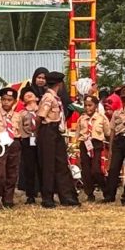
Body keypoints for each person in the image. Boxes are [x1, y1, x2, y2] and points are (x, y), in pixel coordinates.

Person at [36, 72, 79, 208]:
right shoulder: (48, 97)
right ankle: (47, 198)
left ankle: (66, 196)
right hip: (48, 129)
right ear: (60, 84)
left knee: (61, 163)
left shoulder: (56, 98)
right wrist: (37, 133)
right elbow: (40, 117)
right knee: (48, 164)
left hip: (56, 130)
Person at [76, 95, 110, 201]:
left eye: (90, 105)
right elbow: (77, 134)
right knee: (85, 171)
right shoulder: (81, 119)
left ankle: (106, 189)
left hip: (96, 145)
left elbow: (107, 132)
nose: (87, 108)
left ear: (96, 106)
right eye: (85, 105)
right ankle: (89, 194)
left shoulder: (102, 118)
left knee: (96, 170)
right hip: (84, 145)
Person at [0, 87, 22, 207]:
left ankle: (8, 199)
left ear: (14, 101)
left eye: (9, 100)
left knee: (12, 172)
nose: (6, 102)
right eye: (4, 99)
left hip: (14, 143)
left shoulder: (18, 116)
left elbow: (22, 131)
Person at [18, 88, 41, 203]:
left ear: (37, 98)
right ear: (23, 100)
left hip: (41, 140)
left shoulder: (42, 111)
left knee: (43, 166)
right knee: (29, 167)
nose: (29, 96)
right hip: (27, 140)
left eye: (31, 94)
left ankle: (45, 191)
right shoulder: (22, 114)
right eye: (26, 95)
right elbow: (20, 127)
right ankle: (30, 194)